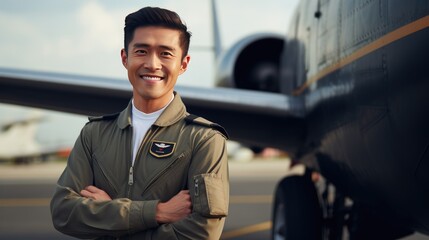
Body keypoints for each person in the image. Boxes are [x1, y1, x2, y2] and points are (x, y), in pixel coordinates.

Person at [50, 6, 229, 240]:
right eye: (142, 51)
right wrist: (157, 212)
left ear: (183, 64)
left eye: (166, 53)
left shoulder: (205, 139)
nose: (152, 64)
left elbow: (201, 233)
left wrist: (110, 215)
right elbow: (64, 213)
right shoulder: (93, 134)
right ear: (125, 58)